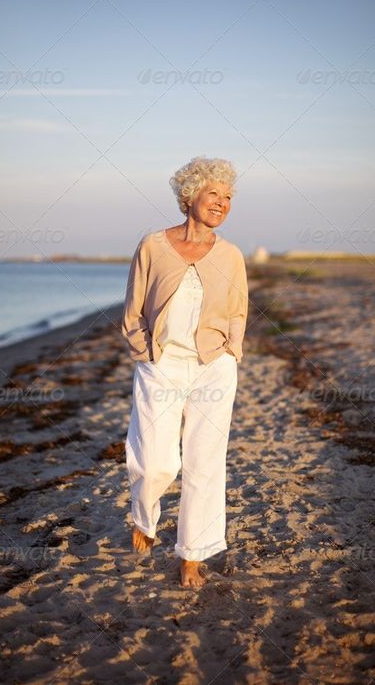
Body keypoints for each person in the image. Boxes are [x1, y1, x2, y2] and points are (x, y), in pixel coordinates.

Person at [122, 156, 249, 588]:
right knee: (155, 459)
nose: (222, 202)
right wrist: (147, 353)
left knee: (205, 462)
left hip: (214, 366)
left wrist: (230, 352)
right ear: (189, 195)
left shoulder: (231, 256)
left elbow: (238, 310)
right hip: (162, 363)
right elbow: (133, 309)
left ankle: (192, 555)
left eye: (228, 196)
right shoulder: (153, 246)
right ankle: (144, 516)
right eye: (214, 193)